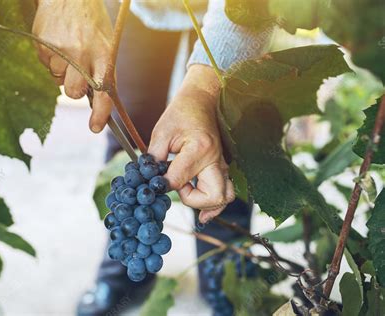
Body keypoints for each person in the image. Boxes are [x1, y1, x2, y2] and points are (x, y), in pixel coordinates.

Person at [33, 0, 272, 315]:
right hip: (134, 8)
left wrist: (202, 91)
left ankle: (226, 268)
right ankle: (129, 260)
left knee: (218, 132)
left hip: (229, 9)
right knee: (132, 123)